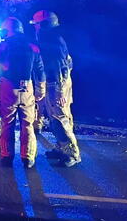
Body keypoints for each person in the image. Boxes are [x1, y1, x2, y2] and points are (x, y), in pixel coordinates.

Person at [0, 17, 46, 168]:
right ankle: (27, 158)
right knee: (27, 123)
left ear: (6, 30)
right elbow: (40, 70)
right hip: (27, 87)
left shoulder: (3, 46)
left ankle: (6, 156)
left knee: (7, 122)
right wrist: (41, 90)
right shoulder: (33, 46)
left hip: (8, 87)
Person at [31, 10, 80, 167]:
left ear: (43, 25)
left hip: (56, 85)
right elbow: (68, 64)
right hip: (58, 84)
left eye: (37, 24)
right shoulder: (53, 39)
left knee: (60, 118)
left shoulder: (51, 42)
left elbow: (59, 68)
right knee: (57, 117)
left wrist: (59, 92)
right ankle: (61, 147)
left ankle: (71, 153)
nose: (35, 27)